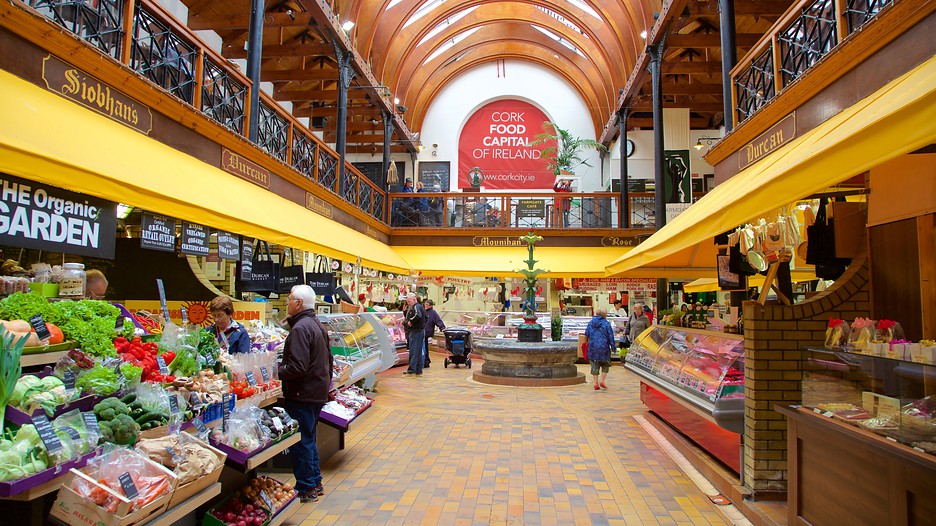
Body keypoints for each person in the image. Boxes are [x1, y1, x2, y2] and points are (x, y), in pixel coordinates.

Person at [278, 285, 333, 503]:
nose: (287, 303)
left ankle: (306, 487)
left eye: (290, 299)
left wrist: (277, 372)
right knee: (308, 438)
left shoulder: (300, 328)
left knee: (301, 441)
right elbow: (328, 359)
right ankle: (315, 482)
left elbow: (297, 367)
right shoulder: (316, 324)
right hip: (315, 391)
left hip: (303, 393)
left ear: (299, 303)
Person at [585, 307, 615, 390]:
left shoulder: (591, 323)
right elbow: (610, 336)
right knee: (605, 364)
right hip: (604, 347)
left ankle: (595, 383)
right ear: (605, 314)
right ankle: (602, 381)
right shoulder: (606, 324)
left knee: (595, 364)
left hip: (592, 346)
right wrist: (613, 347)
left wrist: (586, 343)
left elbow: (586, 333)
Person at [402, 293, 426, 376]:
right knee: (418, 351)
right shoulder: (418, 307)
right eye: (407, 301)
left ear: (414, 300)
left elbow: (418, 315)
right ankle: (418, 369)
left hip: (416, 331)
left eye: (409, 301)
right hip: (419, 331)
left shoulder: (416, 307)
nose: (408, 303)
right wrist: (405, 312)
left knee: (414, 350)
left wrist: (410, 322)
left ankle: (411, 370)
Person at [422, 299, 445, 368]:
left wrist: (442, 328)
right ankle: (425, 361)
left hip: (427, 332)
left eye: (427, 305)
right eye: (425, 304)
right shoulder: (423, 311)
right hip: (422, 332)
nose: (425, 306)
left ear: (431, 306)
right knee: (424, 348)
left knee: (425, 348)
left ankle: (426, 361)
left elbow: (438, 321)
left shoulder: (433, 313)